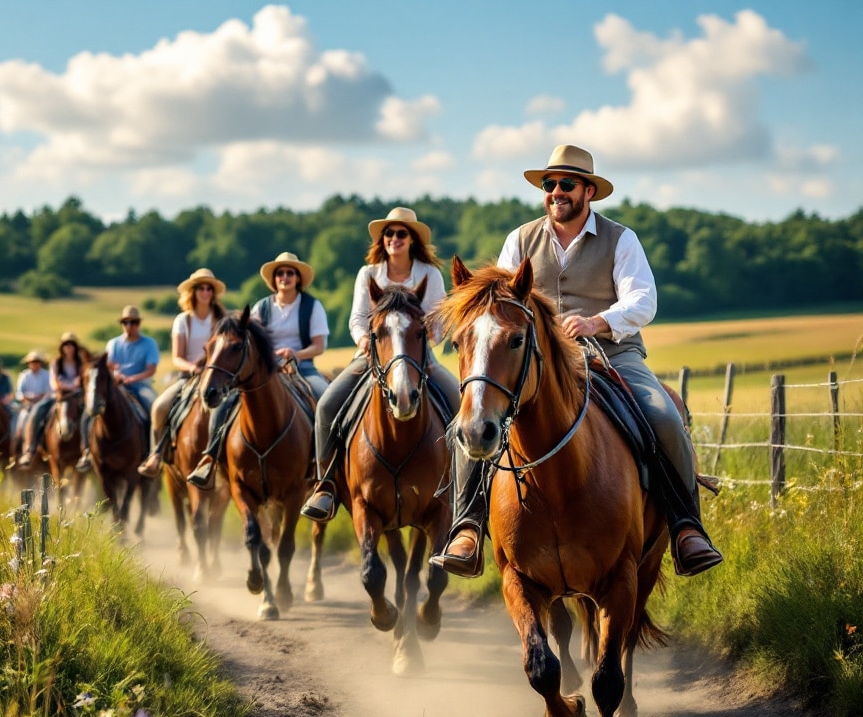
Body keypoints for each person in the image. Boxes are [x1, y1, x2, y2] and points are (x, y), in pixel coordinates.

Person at [428, 143, 723, 578]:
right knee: (471, 421)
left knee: (664, 415)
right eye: (550, 184)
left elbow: (643, 300)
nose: (556, 192)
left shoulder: (621, 239)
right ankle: (467, 527)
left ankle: (686, 529)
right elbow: (499, 303)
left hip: (613, 355)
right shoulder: (520, 240)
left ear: (589, 192)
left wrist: (598, 322)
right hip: (537, 363)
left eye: (567, 184)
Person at [299, 207, 459, 521]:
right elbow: (358, 320)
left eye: (401, 233)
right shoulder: (368, 273)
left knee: (458, 403)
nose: (394, 238)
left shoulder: (430, 274)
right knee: (327, 405)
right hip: (371, 357)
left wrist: (423, 337)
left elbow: (438, 325)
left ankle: (463, 490)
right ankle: (326, 485)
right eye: (389, 233)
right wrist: (364, 341)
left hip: (421, 358)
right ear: (382, 240)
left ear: (412, 239)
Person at [187, 252, 329, 489]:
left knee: (325, 400)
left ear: (298, 278)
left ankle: (323, 466)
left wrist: (296, 354)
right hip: (267, 372)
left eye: (290, 273)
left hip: (303, 368)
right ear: (274, 280)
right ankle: (210, 457)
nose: (285, 277)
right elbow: (249, 343)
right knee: (224, 403)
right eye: (280, 273)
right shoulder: (261, 308)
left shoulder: (312, 307)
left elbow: (319, 345)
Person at [137, 268, 228, 478]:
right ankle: (155, 456)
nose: (205, 292)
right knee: (159, 407)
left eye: (209, 289)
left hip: (219, 379)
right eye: (201, 288)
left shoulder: (222, 320)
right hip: (189, 378)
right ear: (193, 292)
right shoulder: (183, 320)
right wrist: (193, 368)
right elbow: (177, 357)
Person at [75, 306, 160, 473]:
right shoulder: (113, 344)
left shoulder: (149, 343)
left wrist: (131, 378)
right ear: (122, 324)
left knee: (153, 408)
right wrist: (117, 375)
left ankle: (152, 453)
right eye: (126, 322)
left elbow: (151, 369)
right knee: (89, 413)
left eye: (133, 322)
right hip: (116, 385)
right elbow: (109, 366)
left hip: (140, 384)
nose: (130, 326)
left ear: (139, 324)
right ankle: (86, 452)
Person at [17, 332, 89, 469]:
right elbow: (54, 383)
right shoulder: (56, 362)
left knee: (89, 416)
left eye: (71, 344)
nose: (68, 347)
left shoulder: (81, 363)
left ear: (75, 347)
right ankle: (30, 450)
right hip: (58, 398)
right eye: (66, 344)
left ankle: (88, 451)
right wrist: (70, 386)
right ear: (62, 347)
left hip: (77, 397)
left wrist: (70, 386)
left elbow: (81, 382)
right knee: (37, 411)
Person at [10, 350, 52, 462]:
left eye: (37, 362)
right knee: (20, 426)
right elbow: (19, 394)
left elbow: (49, 392)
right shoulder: (24, 375)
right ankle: (24, 450)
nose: (34, 364)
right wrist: (27, 398)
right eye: (32, 362)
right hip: (27, 406)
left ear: (41, 363)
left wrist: (39, 398)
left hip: (44, 406)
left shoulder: (46, 375)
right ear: (29, 363)